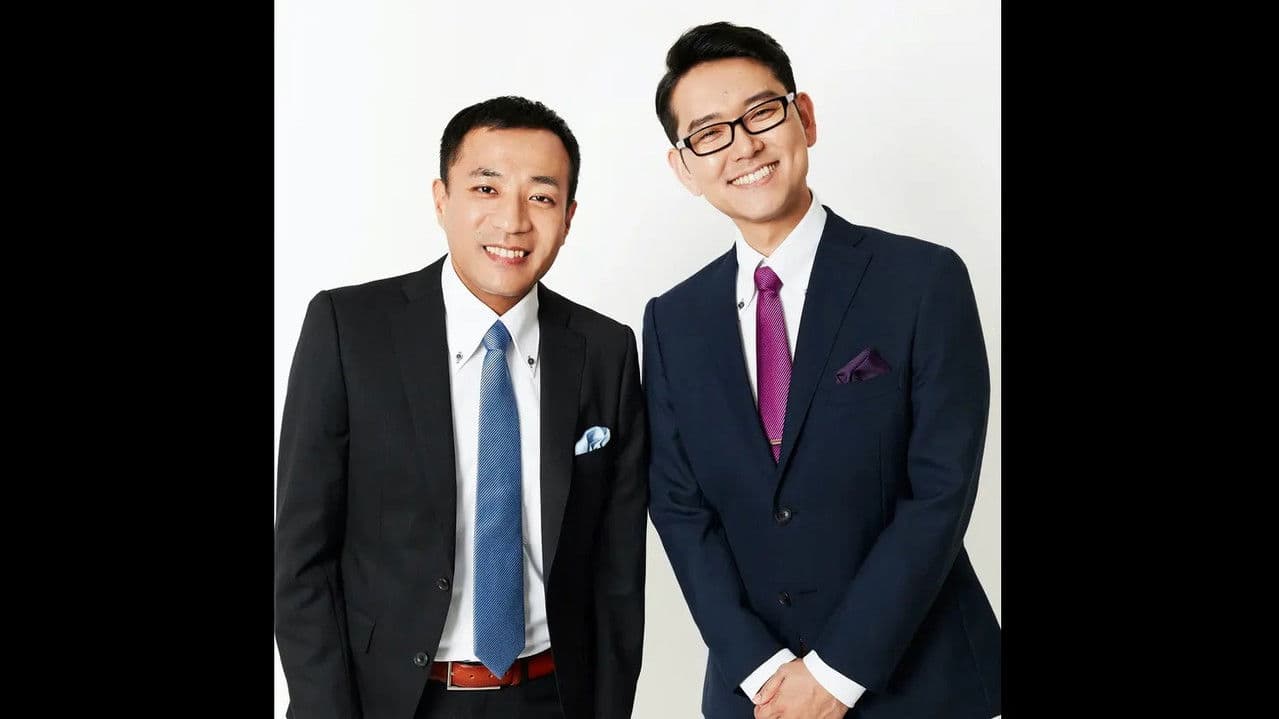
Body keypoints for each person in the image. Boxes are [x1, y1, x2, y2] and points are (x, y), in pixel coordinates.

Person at [643, 22, 1001, 719]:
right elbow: (680, 510)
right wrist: (761, 669)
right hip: (757, 695)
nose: (743, 145)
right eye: (709, 133)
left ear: (803, 117)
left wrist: (835, 674)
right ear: (684, 168)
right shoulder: (671, 320)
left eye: (761, 113)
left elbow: (940, 491)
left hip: (924, 687)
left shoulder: (922, 280)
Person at [275, 95, 647, 719]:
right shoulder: (349, 329)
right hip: (391, 701)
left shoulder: (606, 350)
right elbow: (300, 559)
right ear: (441, 199)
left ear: (569, 217)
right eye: (486, 188)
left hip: (552, 696)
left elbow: (619, 573)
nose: (513, 221)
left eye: (541, 197)